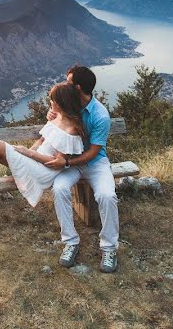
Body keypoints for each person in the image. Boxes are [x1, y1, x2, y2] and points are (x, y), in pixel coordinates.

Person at [45, 64, 119, 273]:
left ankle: (109, 247)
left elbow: (94, 152)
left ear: (77, 87)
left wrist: (66, 163)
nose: (63, 84)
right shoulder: (68, 103)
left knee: (107, 196)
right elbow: (56, 123)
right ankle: (71, 241)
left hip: (94, 163)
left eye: (67, 82)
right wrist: (51, 115)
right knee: (59, 189)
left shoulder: (100, 115)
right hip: (70, 161)